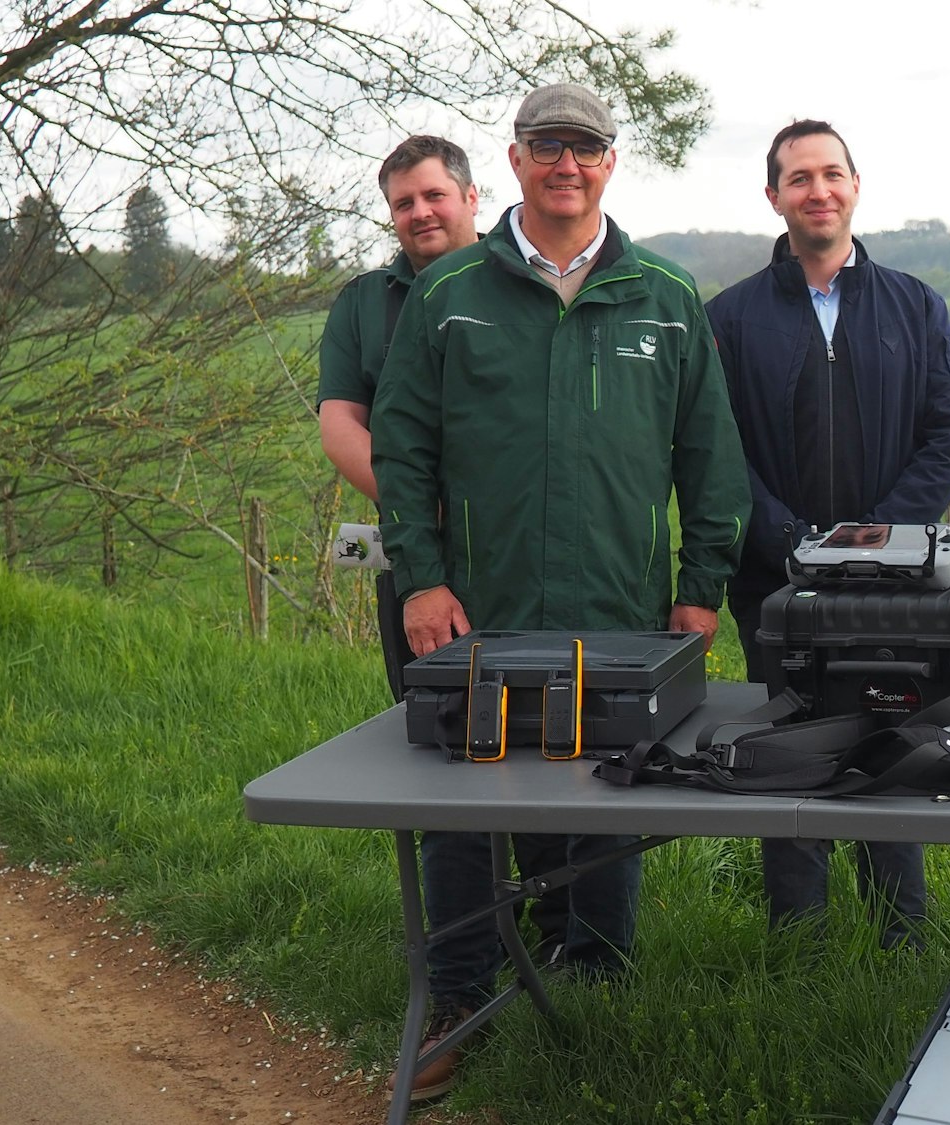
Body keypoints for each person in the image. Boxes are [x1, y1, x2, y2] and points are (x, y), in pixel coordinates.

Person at [370, 82, 751, 1099]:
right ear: (516, 159)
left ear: (610, 162)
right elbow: (401, 448)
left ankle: (596, 985)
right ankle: (458, 991)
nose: (566, 165)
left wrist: (701, 585)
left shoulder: (663, 297)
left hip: (621, 607)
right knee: (461, 801)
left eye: (585, 147)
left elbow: (710, 457)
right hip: (480, 607)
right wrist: (422, 579)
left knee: (608, 793)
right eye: (548, 146)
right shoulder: (452, 296)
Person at [705, 119, 950, 949]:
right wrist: (793, 541)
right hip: (776, 585)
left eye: (832, 173)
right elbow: (716, 448)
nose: (817, 190)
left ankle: (903, 937)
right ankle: (800, 943)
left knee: (895, 745)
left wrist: (879, 537)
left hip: (894, 589)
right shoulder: (730, 318)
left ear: (855, 186)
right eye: (799, 178)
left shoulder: (915, 305)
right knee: (786, 750)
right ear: (774, 197)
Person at [317, 135, 480, 702]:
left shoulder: (525, 283)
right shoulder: (362, 303)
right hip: (417, 556)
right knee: (434, 718)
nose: (420, 213)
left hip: (519, 549)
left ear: (471, 196)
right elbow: (339, 426)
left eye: (434, 195)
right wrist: (420, 508)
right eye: (403, 203)